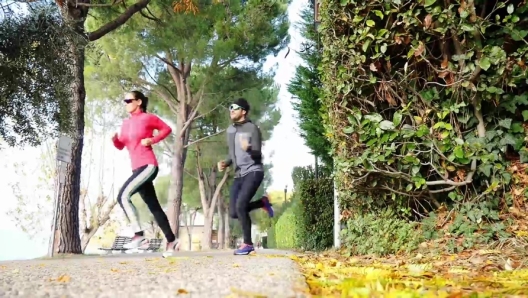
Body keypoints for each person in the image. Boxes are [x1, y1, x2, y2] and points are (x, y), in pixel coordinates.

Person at [112, 90, 179, 258]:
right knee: (154, 206)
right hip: (136, 168)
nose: (126, 103)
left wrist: (152, 140)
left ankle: (139, 236)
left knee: (122, 196)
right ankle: (172, 240)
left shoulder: (148, 118)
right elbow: (122, 146)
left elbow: (167, 129)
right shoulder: (126, 123)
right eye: (124, 101)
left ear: (139, 102)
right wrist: (115, 140)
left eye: (128, 100)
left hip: (148, 165)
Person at [218, 98, 274, 255]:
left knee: (241, 205)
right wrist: (226, 163)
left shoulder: (252, 128)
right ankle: (262, 202)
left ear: (243, 111)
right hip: (238, 174)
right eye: (230, 108)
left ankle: (248, 244)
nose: (231, 111)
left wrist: (249, 148)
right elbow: (232, 152)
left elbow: (257, 152)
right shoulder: (230, 130)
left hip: (254, 170)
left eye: (235, 108)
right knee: (234, 212)